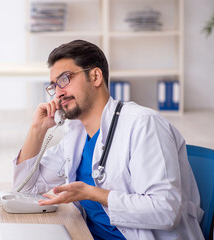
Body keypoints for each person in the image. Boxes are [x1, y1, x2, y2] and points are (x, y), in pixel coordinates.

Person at [13, 40, 204, 239]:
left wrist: (91, 193)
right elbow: (25, 188)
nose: (59, 92)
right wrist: (37, 129)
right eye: (53, 85)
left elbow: (166, 211)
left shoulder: (144, 124)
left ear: (95, 76)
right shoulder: (75, 133)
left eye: (65, 79)